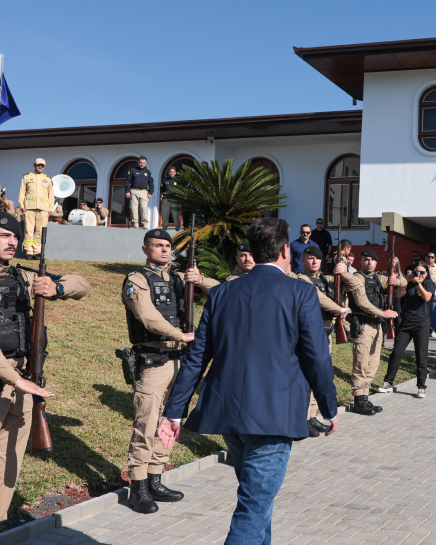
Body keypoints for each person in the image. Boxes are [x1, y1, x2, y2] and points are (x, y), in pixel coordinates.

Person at [158, 218, 339, 545]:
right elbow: (317, 358)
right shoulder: (301, 291)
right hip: (273, 417)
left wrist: (174, 412)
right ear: (286, 250)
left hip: (231, 416)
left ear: (253, 252)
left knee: (258, 501)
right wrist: (330, 405)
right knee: (253, 507)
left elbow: (197, 356)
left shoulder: (223, 292)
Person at [0, 214, 90, 530]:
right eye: (3, 235)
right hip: (5, 381)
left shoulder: (23, 275)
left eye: (15, 237)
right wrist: (17, 380)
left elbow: (83, 284)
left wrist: (56, 287)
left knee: (6, 463)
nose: (11, 242)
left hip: (23, 384)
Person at [121, 228, 218, 514]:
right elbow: (147, 317)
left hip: (180, 361)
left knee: (170, 420)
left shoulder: (179, 279)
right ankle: (138, 486)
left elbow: (223, 291)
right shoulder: (136, 280)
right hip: (153, 361)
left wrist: (199, 280)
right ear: (145, 249)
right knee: (147, 423)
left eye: (167, 246)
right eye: (158, 245)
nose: (164, 250)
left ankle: (155, 477)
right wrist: (180, 334)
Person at [296, 246, 350, 434]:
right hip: (308, 335)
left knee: (320, 377)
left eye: (317, 259)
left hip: (324, 334)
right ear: (302, 260)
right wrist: (338, 308)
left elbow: (350, 285)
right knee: (307, 376)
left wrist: (343, 270)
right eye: (310, 258)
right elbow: (316, 296)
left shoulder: (327, 279)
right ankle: (303, 418)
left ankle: (311, 416)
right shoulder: (299, 278)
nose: (314, 262)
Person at [345, 249, 403, 415]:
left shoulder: (378, 278)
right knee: (361, 363)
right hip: (363, 325)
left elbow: (405, 281)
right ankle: (358, 399)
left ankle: (365, 396)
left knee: (373, 364)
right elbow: (362, 302)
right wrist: (383, 313)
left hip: (377, 326)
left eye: (372, 260)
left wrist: (395, 278)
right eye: (366, 259)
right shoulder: (357, 278)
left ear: (377, 263)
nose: (369, 262)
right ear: (361, 261)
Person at [381, 261, 435, 398]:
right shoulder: (408, 282)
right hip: (405, 324)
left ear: (426, 274)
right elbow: (399, 294)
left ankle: (421, 386)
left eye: (423, 272)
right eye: (417, 271)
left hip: (421, 324)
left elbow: (427, 297)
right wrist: (408, 281)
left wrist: (417, 283)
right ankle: (388, 382)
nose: (420, 274)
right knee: (396, 353)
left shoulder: (429, 283)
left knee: (421, 357)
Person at [18, 158, 53, 259]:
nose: (40, 167)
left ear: (44, 167)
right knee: (28, 230)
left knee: (40, 231)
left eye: (42, 165)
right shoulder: (27, 177)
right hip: (29, 208)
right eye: (38, 165)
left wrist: (50, 208)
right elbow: (22, 192)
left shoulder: (48, 179)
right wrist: (21, 206)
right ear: (34, 165)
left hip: (43, 209)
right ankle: (29, 252)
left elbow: (51, 195)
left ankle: (37, 252)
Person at [125, 156, 154, 229]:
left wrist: (150, 192)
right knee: (133, 207)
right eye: (141, 162)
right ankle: (135, 224)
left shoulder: (147, 172)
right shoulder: (132, 170)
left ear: (145, 163)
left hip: (144, 192)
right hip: (133, 191)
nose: (142, 164)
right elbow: (128, 181)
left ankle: (145, 225)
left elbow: (151, 182)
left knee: (143, 208)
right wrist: (127, 191)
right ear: (138, 162)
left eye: (143, 163)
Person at [159, 167, 181, 231]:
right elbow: (161, 189)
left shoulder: (178, 181)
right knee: (165, 214)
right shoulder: (164, 181)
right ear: (168, 172)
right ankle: (164, 227)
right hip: (166, 199)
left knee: (175, 214)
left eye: (173, 172)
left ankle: (177, 227)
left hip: (175, 199)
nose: (171, 173)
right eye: (170, 172)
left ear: (175, 173)